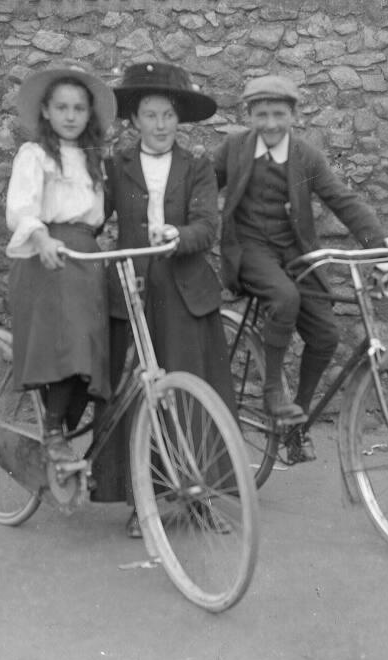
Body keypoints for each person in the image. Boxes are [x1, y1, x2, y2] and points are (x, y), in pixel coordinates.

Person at [213, 74, 388, 464]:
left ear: (294, 114)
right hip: (249, 250)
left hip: (294, 254)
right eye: (261, 115)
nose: (271, 123)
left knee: (327, 334)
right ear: (249, 115)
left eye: (279, 114)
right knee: (284, 296)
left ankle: (296, 423)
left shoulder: (306, 157)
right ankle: (272, 392)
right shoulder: (234, 149)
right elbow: (201, 187)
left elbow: (341, 200)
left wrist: (379, 246)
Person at [91, 62, 235, 538]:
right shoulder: (117, 166)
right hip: (133, 294)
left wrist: (180, 235)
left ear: (179, 120)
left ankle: (199, 496)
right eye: (151, 115)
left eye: (168, 115)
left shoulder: (197, 169)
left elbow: (207, 227)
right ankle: (144, 500)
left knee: (192, 396)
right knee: (139, 398)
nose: (160, 125)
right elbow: (93, 214)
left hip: (184, 295)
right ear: (134, 120)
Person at [5, 62, 116, 470]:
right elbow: (21, 208)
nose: (71, 116)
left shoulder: (93, 160)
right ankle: (53, 430)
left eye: (79, 109)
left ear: (89, 115)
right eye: (62, 107)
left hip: (84, 255)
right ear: (46, 112)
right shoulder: (34, 155)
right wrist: (41, 238)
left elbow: (97, 214)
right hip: (46, 255)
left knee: (95, 348)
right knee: (71, 344)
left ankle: (60, 436)